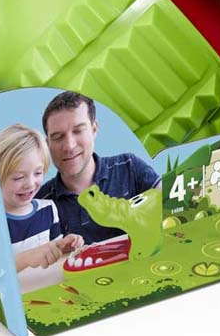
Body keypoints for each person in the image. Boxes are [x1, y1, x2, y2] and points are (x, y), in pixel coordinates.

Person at [37, 91, 161, 243]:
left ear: (94, 129)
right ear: (47, 143)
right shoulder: (39, 203)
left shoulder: (130, 167)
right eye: (58, 137)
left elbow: (173, 208)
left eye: (78, 131)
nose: (69, 146)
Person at [0, 124, 84, 272]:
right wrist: (28, 257)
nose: (30, 184)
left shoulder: (48, 209)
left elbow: (54, 257)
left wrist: (63, 248)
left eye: (38, 173)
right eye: (19, 177)